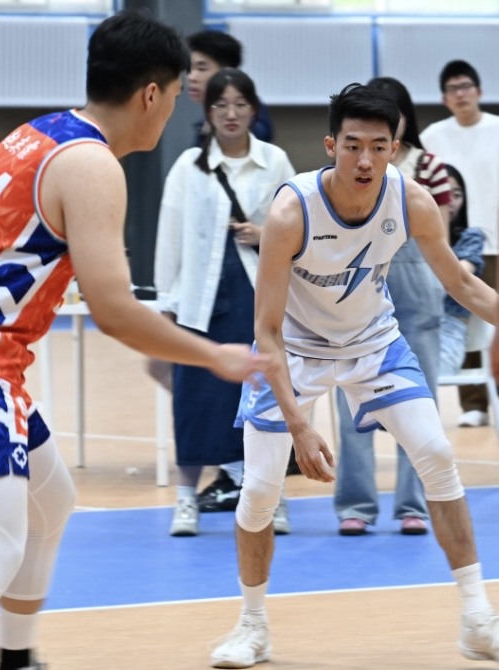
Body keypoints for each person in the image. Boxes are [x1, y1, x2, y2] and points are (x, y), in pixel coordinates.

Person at [0, 11, 274, 670]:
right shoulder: (91, 164)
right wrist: (213, 355)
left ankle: (17, 656)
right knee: (3, 544)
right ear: (151, 94)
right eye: (177, 94)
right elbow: (116, 312)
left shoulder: (38, 133)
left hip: (9, 367)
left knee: (50, 499)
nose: (176, 109)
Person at [210, 83, 499, 669]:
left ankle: (476, 620)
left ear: (395, 148)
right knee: (261, 490)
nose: (365, 160)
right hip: (292, 350)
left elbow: (462, 285)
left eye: (378, 146)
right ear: (331, 146)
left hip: (374, 344)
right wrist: (299, 425)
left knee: (437, 453)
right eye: (352, 146)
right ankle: (252, 625)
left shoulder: (412, 201)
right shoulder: (291, 211)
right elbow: (266, 331)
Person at [154, 68, 295, 537]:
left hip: (258, 300)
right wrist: (166, 307)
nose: (231, 113)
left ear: (253, 109)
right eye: (220, 105)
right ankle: (185, 499)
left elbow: (301, 227)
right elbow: (169, 239)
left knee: (267, 402)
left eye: (239, 104)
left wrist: (264, 234)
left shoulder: (275, 162)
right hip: (199, 304)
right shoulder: (187, 167)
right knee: (194, 402)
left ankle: (273, 499)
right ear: (208, 112)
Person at [334, 76, 451, 537]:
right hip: (358, 296)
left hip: (419, 291)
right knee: (353, 406)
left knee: (419, 407)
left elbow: (440, 239)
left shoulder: (429, 168)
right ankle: (356, 504)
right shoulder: (348, 168)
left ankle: (413, 504)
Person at [184, 31, 275, 508]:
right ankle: (231, 466)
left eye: (201, 67)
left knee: (250, 374)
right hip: (211, 279)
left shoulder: (261, 139)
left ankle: (244, 469)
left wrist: (262, 232)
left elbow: (282, 209)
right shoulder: (197, 143)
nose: (191, 76)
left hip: (249, 276)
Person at [421, 59, 499, 428]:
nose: (460, 94)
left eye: (466, 86)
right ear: (444, 98)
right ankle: (474, 404)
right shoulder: (433, 136)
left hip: (495, 240)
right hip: (455, 242)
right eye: (453, 89)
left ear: (479, 91)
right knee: (466, 317)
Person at [186, 30, 273, 147]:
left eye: (201, 69)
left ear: (227, 72)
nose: (191, 77)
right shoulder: (206, 120)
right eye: (189, 69)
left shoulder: (251, 119)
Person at [439, 164, 485, 375]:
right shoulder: (411, 238)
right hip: (407, 324)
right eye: (442, 195)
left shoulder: (471, 237)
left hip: (449, 326)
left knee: (432, 374)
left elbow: (456, 277)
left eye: (456, 195)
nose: (449, 201)